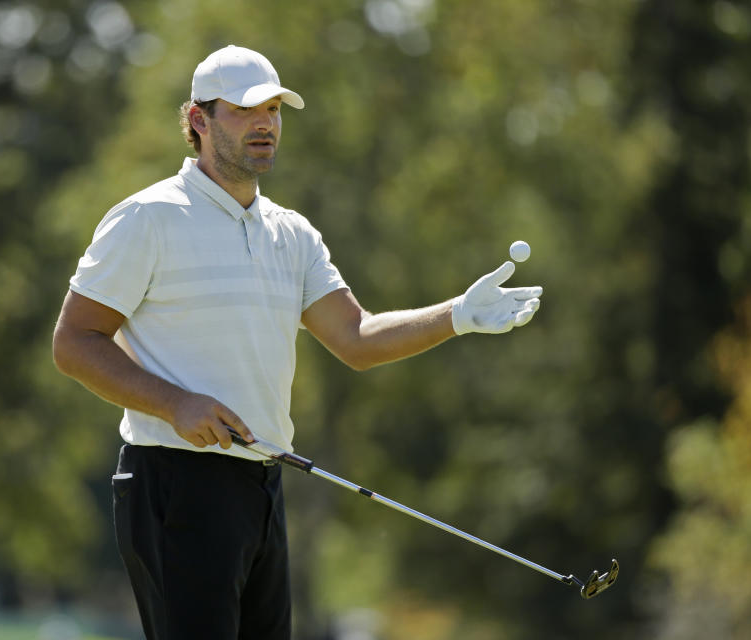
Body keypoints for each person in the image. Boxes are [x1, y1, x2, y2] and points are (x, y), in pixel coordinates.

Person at [52, 45, 542, 640]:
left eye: (275, 110)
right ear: (199, 121)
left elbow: (356, 338)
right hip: (174, 482)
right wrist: (175, 404)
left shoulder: (292, 233)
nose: (266, 124)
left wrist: (458, 315)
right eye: (246, 110)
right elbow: (75, 342)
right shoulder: (147, 219)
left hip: (261, 481)